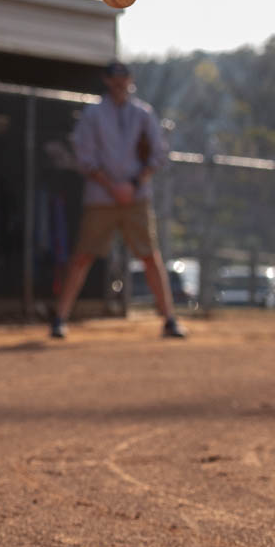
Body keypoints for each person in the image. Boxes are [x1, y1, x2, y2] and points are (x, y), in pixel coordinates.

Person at [50, 61, 185, 339]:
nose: (120, 83)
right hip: (101, 197)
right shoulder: (94, 113)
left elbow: (158, 154)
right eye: (115, 78)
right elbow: (84, 156)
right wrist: (112, 186)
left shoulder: (143, 113)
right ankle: (60, 318)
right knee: (83, 256)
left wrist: (133, 184)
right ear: (107, 80)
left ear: (131, 80)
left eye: (125, 77)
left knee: (150, 256)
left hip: (136, 197)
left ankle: (169, 319)